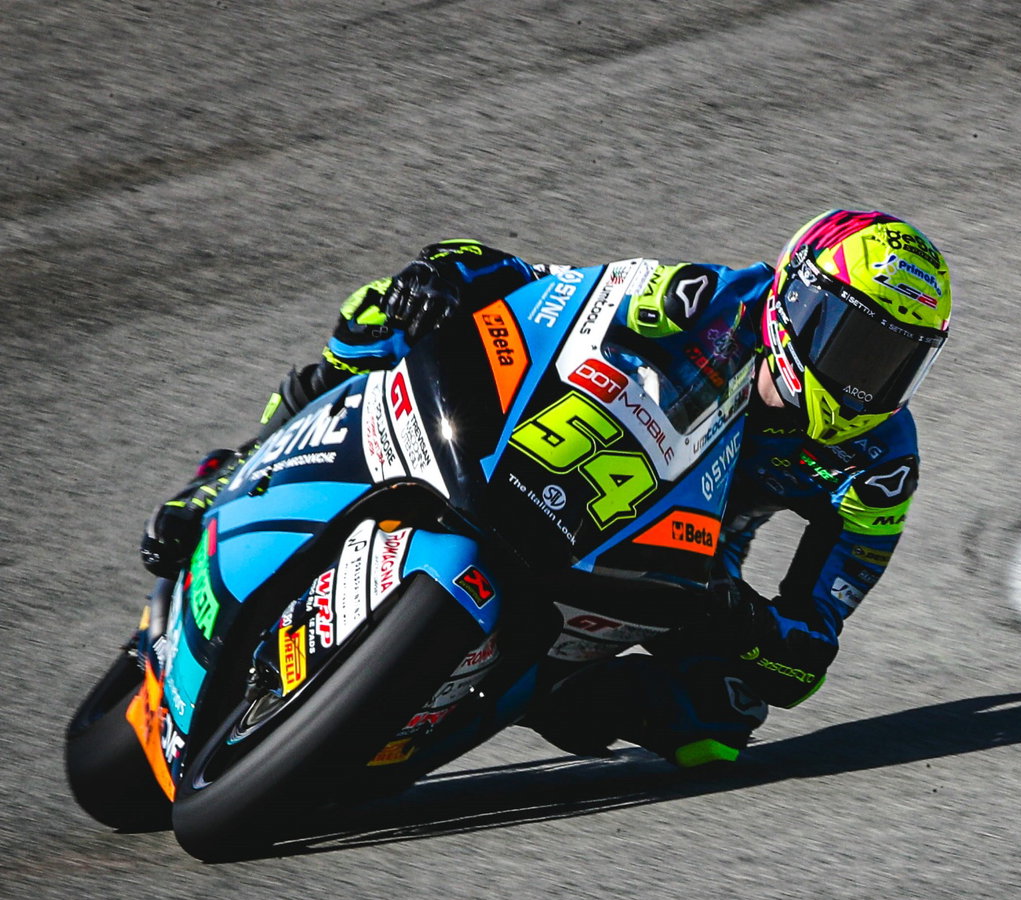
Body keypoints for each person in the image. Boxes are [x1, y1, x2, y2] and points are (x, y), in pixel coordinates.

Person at [140, 209, 953, 768]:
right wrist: (448, 276)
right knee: (377, 311)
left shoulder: (879, 465)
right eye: (854, 344)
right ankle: (228, 475)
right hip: (567, 457)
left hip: (685, 559)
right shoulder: (704, 298)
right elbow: (550, 286)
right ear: (797, 302)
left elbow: (808, 651)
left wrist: (743, 618)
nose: (866, 380)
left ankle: (535, 689)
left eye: (895, 361)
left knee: (722, 718)